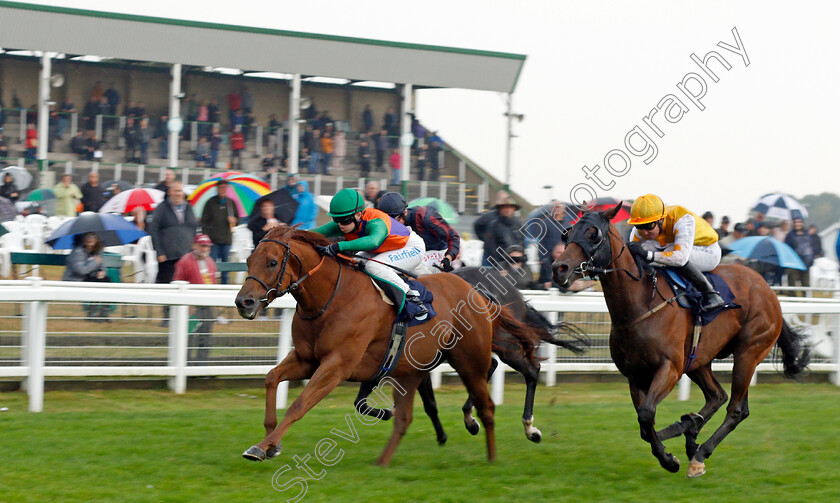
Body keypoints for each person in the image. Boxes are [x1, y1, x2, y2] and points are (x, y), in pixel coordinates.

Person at [312, 188, 428, 320]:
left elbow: (373, 242)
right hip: (387, 248)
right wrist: (290, 235)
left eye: (344, 220)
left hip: (411, 247)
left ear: (359, 215)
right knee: (354, 262)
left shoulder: (376, 221)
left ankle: (412, 299)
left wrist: (339, 246)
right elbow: (313, 233)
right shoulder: (346, 223)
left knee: (373, 266)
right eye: (336, 219)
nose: (340, 225)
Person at [626, 193, 724, 312]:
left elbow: (680, 258)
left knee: (664, 254)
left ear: (661, 220)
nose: (645, 232)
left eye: (649, 226)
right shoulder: (641, 229)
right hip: (675, 246)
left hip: (707, 250)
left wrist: (648, 255)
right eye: (639, 226)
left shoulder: (682, 219)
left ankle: (711, 294)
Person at [148, 182, 197, 326]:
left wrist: (193, 246)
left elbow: (194, 227)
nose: (178, 193)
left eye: (180, 191)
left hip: (186, 255)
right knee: (168, 286)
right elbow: (154, 230)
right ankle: (167, 317)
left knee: (185, 286)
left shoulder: (188, 208)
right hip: (167, 256)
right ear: (169, 192)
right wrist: (159, 251)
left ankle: (182, 318)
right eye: (175, 191)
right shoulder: (162, 208)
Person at [376, 192, 460, 274]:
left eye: (394, 220)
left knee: (414, 264)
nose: (391, 224)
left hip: (440, 252)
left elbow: (453, 237)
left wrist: (448, 258)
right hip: (416, 251)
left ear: (405, 212)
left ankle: (428, 287)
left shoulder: (427, 217)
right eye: (387, 220)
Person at [173, 234, 218, 362]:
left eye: (207, 246)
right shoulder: (184, 261)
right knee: (188, 337)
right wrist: (187, 304)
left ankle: (201, 366)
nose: (204, 249)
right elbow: (177, 282)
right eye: (202, 246)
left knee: (206, 337)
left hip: (207, 305)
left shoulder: (210, 261)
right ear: (195, 246)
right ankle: (184, 364)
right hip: (191, 306)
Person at [62, 232, 110, 321]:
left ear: (97, 239)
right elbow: (81, 271)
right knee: (97, 283)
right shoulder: (77, 251)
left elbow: (101, 265)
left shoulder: (97, 251)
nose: (90, 239)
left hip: (89, 278)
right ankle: (91, 314)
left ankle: (104, 313)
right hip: (75, 279)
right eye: (87, 236)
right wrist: (95, 262)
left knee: (106, 280)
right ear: (82, 238)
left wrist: (101, 271)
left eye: (93, 236)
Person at [200, 179, 237, 284]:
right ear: (217, 189)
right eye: (221, 187)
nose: (223, 189)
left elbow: (238, 219)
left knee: (226, 267)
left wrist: (234, 220)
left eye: (225, 187)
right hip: (213, 240)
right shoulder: (210, 203)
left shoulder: (231, 203)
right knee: (211, 265)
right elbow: (204, 221)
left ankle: (224, 284)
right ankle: (210, 284)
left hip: (226, 240)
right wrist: (207, 237)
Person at [474, 195, 525, 268]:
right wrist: (499, 266)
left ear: (514, 209)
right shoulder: (493, 226)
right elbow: (490, 250)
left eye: (510, 207)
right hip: (498, 267)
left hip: (516, 266)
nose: (507, 210)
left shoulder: (519, 225)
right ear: (500, 209)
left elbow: (522, 246)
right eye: (504, 207)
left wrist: (521, 263)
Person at [784, 217, 814, 297]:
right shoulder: (790, 235)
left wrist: (811, 260)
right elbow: (786, 249)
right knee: (792, 282)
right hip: (794, 263)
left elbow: (811, 247)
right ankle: (792, 300)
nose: (797, 224)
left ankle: (807, 301)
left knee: (805, 284)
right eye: (796, 222)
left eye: (799, 222)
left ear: (802, 223)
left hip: (806, 263)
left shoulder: (808, 234)